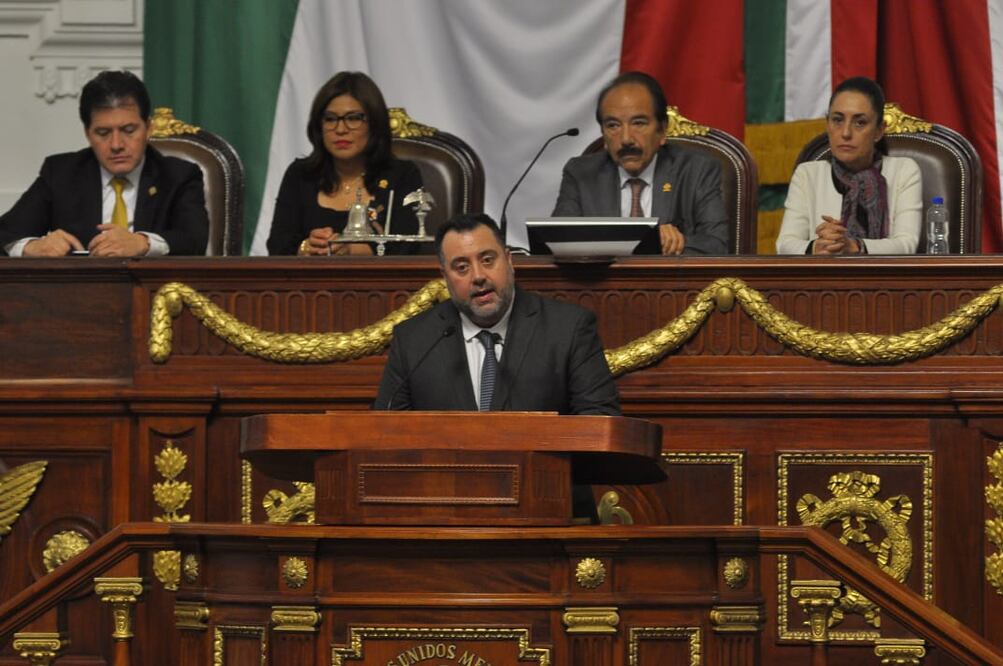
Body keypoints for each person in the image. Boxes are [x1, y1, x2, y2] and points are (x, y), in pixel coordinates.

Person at [376, 213, 620, 415]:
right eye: (462, 267)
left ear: (509, 260)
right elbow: (386, 433)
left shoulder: (567, 330)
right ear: (445, 276)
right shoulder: (414, 340)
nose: (478, 276)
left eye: (488, 260)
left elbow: (599, 422)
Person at [0, 70, 209, 257]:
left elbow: (194, 240)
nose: (116, 144)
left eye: (129, 130)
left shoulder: (178, 176)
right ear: (87, 133)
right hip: (78, 294)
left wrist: (143, 243)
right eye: (103, 133)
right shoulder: (61, 173)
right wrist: (31, 247)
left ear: (148, 128)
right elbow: (6, 232)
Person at [550, 71, 728, 256]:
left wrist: (678, 242)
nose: (626, 139)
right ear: (603, 134)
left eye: (638, 123)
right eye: (613, 125)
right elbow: (559, 244)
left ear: (662, 130)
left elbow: (717, 245)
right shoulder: (581, 174)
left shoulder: (697, 170)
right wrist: (648, 240)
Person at [267, 71, 422, 256]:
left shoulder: (402, 175)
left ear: (374, 124)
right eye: (330, 119)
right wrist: (306, 247)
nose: (340, 129)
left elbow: (408, 248)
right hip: (310, 282)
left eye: (353, 118)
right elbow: (277, 246)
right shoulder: (300, 174)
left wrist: (350, 249)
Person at [776, 76, 922, 255]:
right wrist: (818, 246)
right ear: (827, 124)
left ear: (879, 131)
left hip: (886, 280)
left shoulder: (904, 171)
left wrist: (854, 246)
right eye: (837, 120)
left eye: (860, 122)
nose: (845, 133)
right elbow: (784, 245)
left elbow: (907, 245)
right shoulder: (808, 174)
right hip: (822, 279)